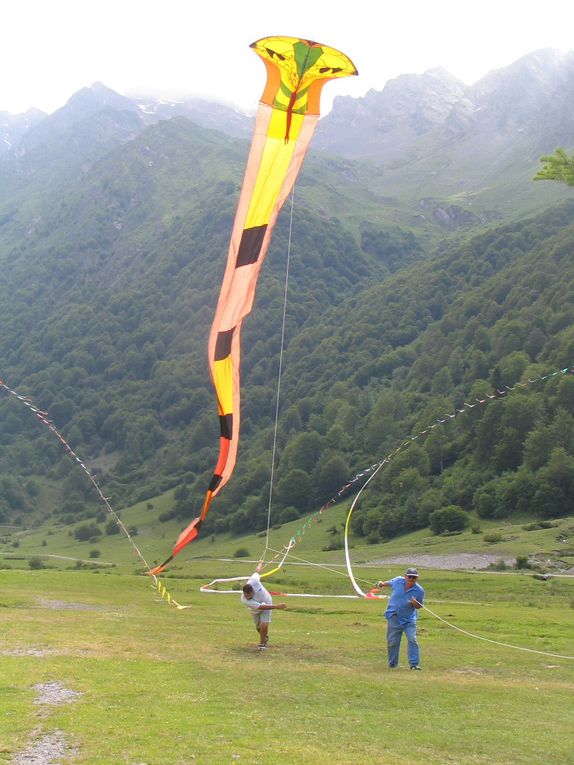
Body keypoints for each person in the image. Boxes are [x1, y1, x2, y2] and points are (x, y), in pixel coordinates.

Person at [377, 567, 425, 670]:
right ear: (405, 576)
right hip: (393, 617)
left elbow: (419, 606)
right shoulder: (398, 581)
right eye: (410, 576)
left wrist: (415, 603)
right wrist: (382, 584)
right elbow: (389, 583)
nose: (411, 579)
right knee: (392, 642)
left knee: (412, 639)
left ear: (417, 578)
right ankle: (392, 665)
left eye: (414, 577)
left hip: (409, 620)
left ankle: (414, 664)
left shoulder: (419, 591)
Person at [241, 560, 286, 649]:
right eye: (247, 596)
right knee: (258, 628)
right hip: (256, 609)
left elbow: (257, 571)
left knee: (264, 624)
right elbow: (261, 607)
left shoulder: (254, 580)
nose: (248, 597)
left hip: (267, 602)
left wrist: (260, 563)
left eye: (250, 596)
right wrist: (277, 606)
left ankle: (262, 644)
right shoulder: (244, 600)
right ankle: (264, 637)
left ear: (252, 591)